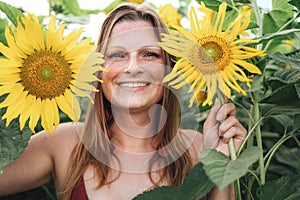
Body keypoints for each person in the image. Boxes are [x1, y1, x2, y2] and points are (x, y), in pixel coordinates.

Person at [0, 3, 247, 200]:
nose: (133, 68)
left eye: (149, 54)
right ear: (98, 69)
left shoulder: (198, 147)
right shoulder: (64, 143)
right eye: (117, 55)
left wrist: (220, 163)